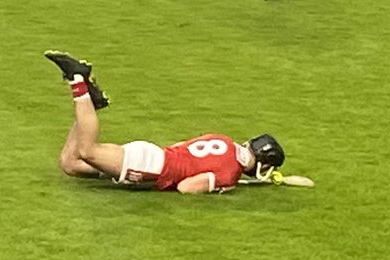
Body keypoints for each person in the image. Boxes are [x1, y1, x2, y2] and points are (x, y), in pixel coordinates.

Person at [45, 51, 287, 193]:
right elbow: (187, 188)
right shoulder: (230, 172)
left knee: (70, 163)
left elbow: (183, 145)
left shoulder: (224, 140)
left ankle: (91, 101)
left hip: (154, 155)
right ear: (263, 165)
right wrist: (222, 187)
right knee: (88, 151)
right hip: (150, 168)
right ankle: (76, 79)